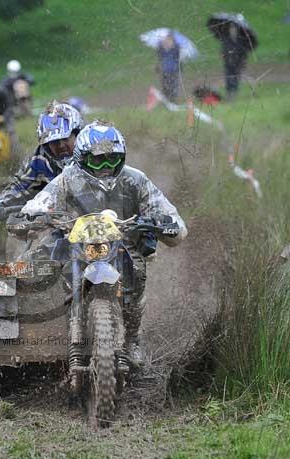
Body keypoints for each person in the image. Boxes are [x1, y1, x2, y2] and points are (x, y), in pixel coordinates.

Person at [17, 121, 187, 368]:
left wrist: (163, 223)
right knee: (30, 266)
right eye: (99, 161)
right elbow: (38, 204)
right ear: (83, 158)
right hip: (72, 240)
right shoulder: (68, 179)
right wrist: (33, 215)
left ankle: (131, 339)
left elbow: (176, 225)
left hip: (122, 242)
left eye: (112, 159)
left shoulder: (135, 180)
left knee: (137, 269)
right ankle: (31, 329)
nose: (106, 167)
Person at [0, 101, 83, 220]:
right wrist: (1, 202)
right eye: (54, 142)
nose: (61, 145)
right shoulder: (40, 159)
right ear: (46, 145)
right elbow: (21, 185)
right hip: (62, 221)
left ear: (78, 135)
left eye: (66, 138)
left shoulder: (92, 153)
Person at [220, 24, 250, 98]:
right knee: (228, 77)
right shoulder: (227, 40)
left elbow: (244, 52)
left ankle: (234, 93)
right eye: (231, 29)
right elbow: (223, 50)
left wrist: (243, 62)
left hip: (237, 63)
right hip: (228, 62)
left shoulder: (240, 40)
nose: (233, 30)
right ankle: (229, 93)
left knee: (236, 77)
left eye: (234, 29)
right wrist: (224, 56)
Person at [158, 33, 182, 102]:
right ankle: (166, 98)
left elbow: (178, 58)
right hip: (165, 70)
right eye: (167, 40)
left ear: (173, 41)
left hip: (174, 70)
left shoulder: (176, 48)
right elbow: (160, 58)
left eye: (170, 40)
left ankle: (173, 98)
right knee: (165, 85)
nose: (168, 42)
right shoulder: (161, 48)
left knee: (173, 84)